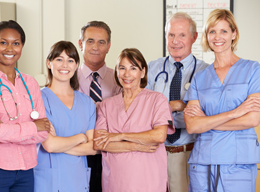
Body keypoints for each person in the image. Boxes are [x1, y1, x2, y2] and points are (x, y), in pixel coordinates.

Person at [184, 9, 260, 192]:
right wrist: (234, 113)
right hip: (202, 163)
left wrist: (206, 122)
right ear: (207, 36)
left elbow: (252, 119)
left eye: (224, 31)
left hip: (238, 164)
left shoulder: (252, 70)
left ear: (234, 34)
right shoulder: (200, 77)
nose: (217, 37)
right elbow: (192, 126)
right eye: (212, 31)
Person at [0, 20, 50, 192]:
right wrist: (32, 127)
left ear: (22, 46)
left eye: (16, 43)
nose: (9, 49)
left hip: (26, 171)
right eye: (3, 42)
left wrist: (5, 128)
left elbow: (43, 131)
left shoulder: (31, 83)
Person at [93, 48, 175, 192]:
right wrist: (137, 145)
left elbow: (159, 136)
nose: (127, 74)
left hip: (148, 180)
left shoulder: (157, 100)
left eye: (133, 68)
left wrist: (119, 136)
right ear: (117, 72)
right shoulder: (106, 105)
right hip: (114, 180)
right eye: (122, 68)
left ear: (143, 72)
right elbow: (100, 143)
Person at [147, 12, 208, 192]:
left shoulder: (205, 72)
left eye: (182, 35)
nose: (175, 41)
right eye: (171, 35)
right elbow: (143, 112)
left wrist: (162, 114)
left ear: (194, 37)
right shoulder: (151, 68)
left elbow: (201, 117)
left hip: (187, 153)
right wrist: (179, 106)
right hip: (154, 153)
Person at [33, 41, 97, 191]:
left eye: (70, 60)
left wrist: (58, 145)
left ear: (76, 65)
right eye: (59, 59)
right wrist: (80, 138)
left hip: (78, 180)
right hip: (49, 182)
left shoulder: (87, 103)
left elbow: (93, 148)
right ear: (49, 63)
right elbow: (49, 145)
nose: (65, 65)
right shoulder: (39, 99)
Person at [77, 21, 121, 192]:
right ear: (81, 44)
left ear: (108, 46)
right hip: (78, 153)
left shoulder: (120, 79)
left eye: (101, 42)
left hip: (110, 154)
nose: (95, 47)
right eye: (90, 41)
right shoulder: (67, 78)